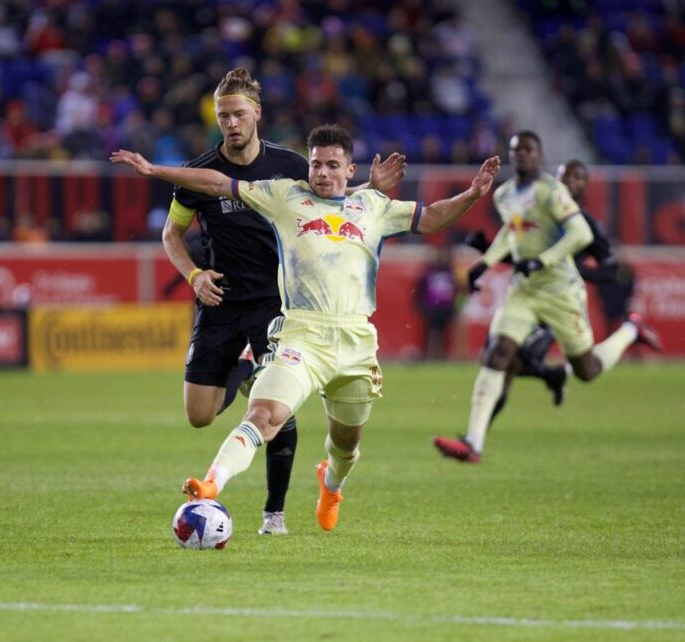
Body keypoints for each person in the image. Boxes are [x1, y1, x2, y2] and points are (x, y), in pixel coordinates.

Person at [112, 125, 501, 531]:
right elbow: (216, 181)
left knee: (347, 444)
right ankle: (212, 484)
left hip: (355, 342)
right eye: (316, 164)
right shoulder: (284, 197)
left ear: (351, 170)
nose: (322, 172)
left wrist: (472, 195)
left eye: (333, 165)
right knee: (264, 414)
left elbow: (434, 217)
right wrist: (156, 170)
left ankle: (331, 485)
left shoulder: (374, 206)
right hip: (301, 335)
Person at [157, 69, 406, 535]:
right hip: (220, 298)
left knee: (275, 410)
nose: (230, 123)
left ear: (256, 115)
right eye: (222, 115)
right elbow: (172, 233)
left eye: (238, 114)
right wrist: (193, 274)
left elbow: (331, 201)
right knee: (199, 415)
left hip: (277, 303)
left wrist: (369, 190)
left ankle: (275, 514)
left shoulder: (291, 165)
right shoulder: (198, 174)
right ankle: (246, 369)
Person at [433, 132, 660, 464]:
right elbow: (513, 232)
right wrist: (483, 265)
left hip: (561, 292)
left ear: (539, 155)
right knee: (498, 353)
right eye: (516, 150)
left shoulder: (551, 192)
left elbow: (580, 233)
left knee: (587, 369)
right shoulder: (504, 194)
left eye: (528, 150)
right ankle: (473, 442)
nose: (522, 155)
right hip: (524, 291)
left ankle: (630, 330)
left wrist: (544, 260)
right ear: (510, 155)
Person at [455, 158, 618, 426]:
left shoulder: (583, 221)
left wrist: (580, 273)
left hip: (556, 302)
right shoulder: (537, 210)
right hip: (526, 295)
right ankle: (476, 437)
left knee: (514, 361)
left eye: (577, 178)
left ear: (585, 186)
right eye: (566, 176)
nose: (570, 182)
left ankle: (476, 436)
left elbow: (611, 268)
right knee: (500, 359)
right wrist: (487, 251)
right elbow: (523, 258)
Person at [415, 245, 459, 359]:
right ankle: (432, 354)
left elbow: (455, 290)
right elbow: (420, 291)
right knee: (433, 332)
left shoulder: (449, 271)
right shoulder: (428, 272)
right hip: (433, 308)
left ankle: (451, 354)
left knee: (444, 332)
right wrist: (422, 307)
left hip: (446, 307)